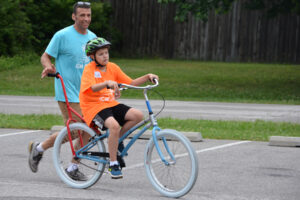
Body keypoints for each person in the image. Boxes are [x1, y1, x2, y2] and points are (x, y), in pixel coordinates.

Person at [28, 1, 96, 181]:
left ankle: (44, 150)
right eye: (82, 15)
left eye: (88, 15)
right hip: (67, 91)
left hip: (86, 93)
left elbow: (96, 66)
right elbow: (45, 56)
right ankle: (69, 164)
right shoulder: (62, 35)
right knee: (78, 128)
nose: (86, 19)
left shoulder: (93, 37)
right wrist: (49, 67)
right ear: (74, 16)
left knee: (88, 129)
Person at [79, 37, 159, 179]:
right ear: (92, 56)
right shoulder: (89, 69)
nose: (105, 56)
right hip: (93, 107)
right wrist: (106, 83)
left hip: (110, 104)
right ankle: (113, 163)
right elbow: (92, 87)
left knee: (137, 115)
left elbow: (131, 82)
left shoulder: (113, 67)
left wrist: (147, 76)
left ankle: (118, 140)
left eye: (106, 53)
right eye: (101, 54)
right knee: (114, 126)